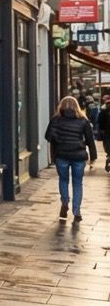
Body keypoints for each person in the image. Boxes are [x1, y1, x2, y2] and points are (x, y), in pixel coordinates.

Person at [44, 95, 97, 225]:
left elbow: (48, 136)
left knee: (63, 180)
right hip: (78, 156)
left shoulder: (56, 119)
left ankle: (65, 202)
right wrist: (93, 156)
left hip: (62, 154)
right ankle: (77, 211)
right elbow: (90, 139)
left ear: (61, 106)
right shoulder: (83, 120)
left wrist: (58, 139)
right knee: (77, 183)